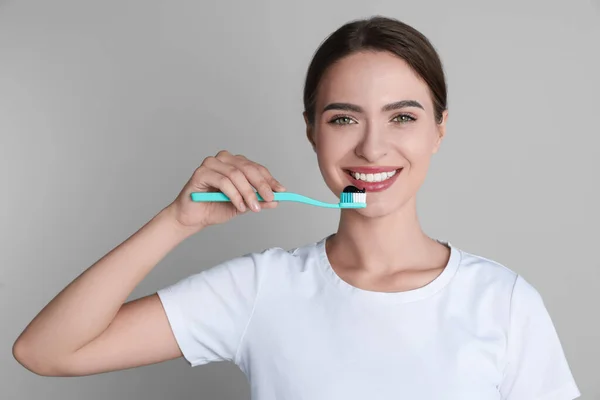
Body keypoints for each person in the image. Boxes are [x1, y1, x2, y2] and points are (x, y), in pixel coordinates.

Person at [13, 16, 580, 400]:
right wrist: (177, 221)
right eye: (343, 118)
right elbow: (45, 351)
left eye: (402, 117)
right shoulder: (263, 289)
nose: (373, 147)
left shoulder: (502, 303)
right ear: (311, 132)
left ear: (439, 130)